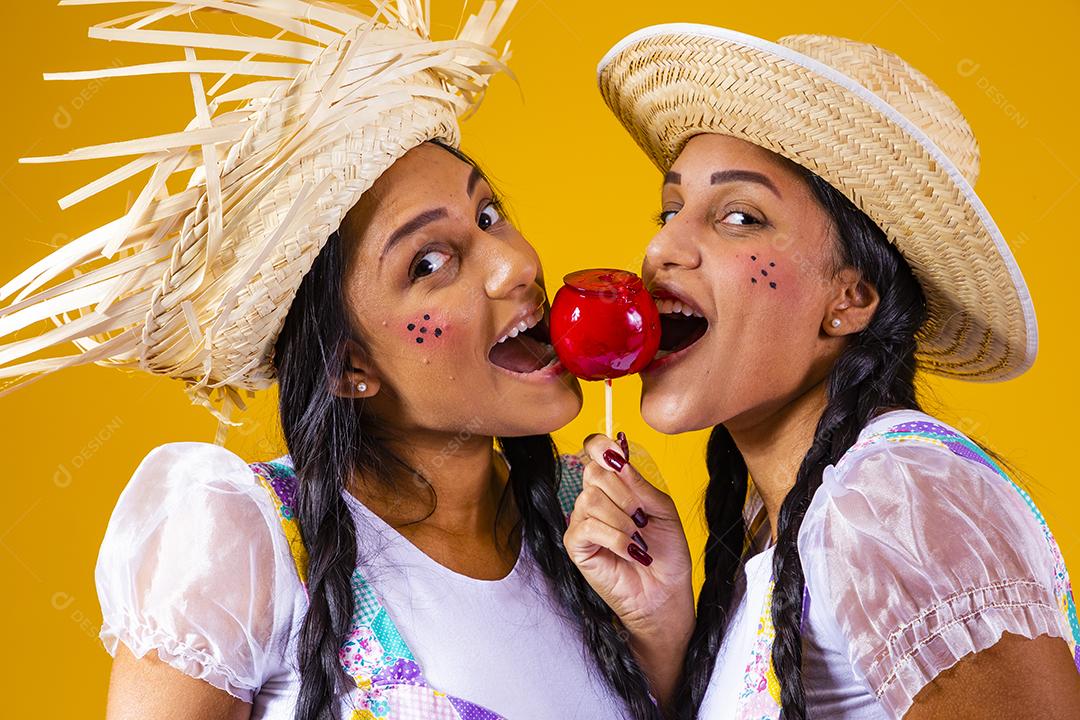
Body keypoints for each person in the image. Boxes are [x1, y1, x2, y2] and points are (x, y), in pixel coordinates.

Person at [0, 3, 659, 718]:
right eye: (430, 262)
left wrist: (664, 623)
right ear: (349, 368)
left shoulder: (599, 525)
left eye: (488, 215)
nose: (515, 266)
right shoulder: (238, 545)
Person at [563, 24, 1080, 719]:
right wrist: (665, 633)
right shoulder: (784, 526)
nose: (661, 248)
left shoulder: (897, 499)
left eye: (739, 217)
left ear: (850, 299)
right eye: (671, 210)